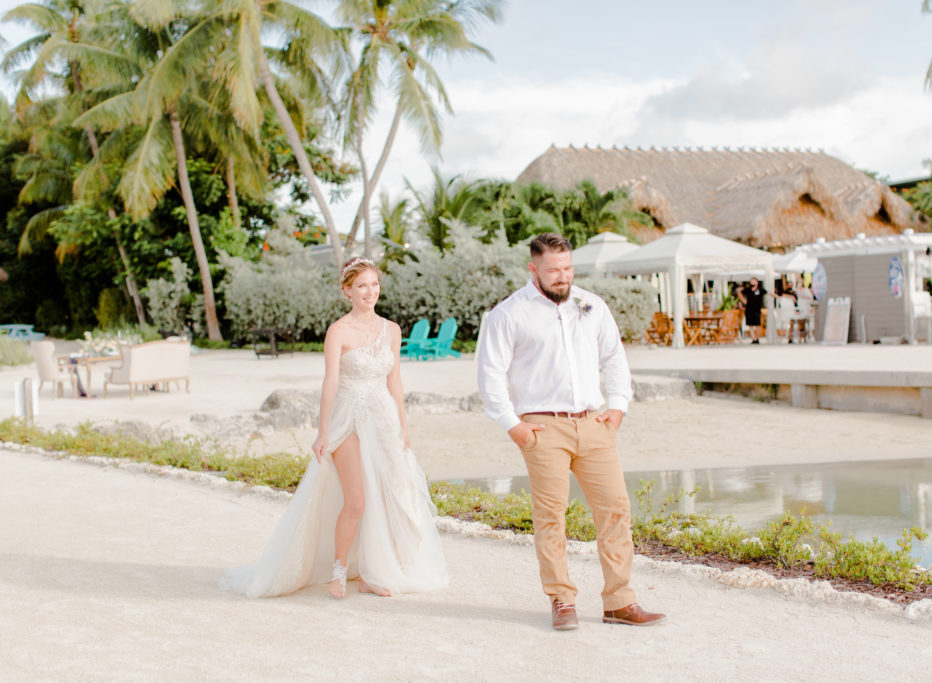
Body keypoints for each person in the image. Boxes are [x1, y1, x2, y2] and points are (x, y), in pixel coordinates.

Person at [220, 257, 447, 599]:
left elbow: (395, 381)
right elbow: (330, 383)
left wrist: (404, 425)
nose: (370, 292)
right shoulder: (338, 332)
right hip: (348, 419)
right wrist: (322, 431)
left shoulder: (393, 330)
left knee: (391, 498)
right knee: (356, 501)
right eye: (362, 286)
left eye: (374, 284)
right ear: (347, 291)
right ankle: (338, 571)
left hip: (384, 419)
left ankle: (373, 573)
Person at [477, 233, 666, 631]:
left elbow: (614, 357)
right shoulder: (508, 314)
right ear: (534, 269)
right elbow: (490, 374)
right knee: (551, 518)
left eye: (567, 269)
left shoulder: (591, 305)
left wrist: (617, 409)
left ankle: (619, 601)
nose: (562, 277)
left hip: (594, 423)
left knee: (616, 510)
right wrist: (516, 428)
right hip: (542, 428)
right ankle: (562, 600)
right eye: (553, 271)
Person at [739, 277, 766, 344]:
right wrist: (743, 300)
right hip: (749, 310)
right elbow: (740, 293)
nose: (752, 282)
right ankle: (754, 338)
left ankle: (757, 338)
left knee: (757, 325)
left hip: (757, 309)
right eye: (751, 281)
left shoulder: (760, 290)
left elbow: (768, 293)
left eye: (754, 281)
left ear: (757, 282)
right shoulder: (748, 290)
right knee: (750, 325)